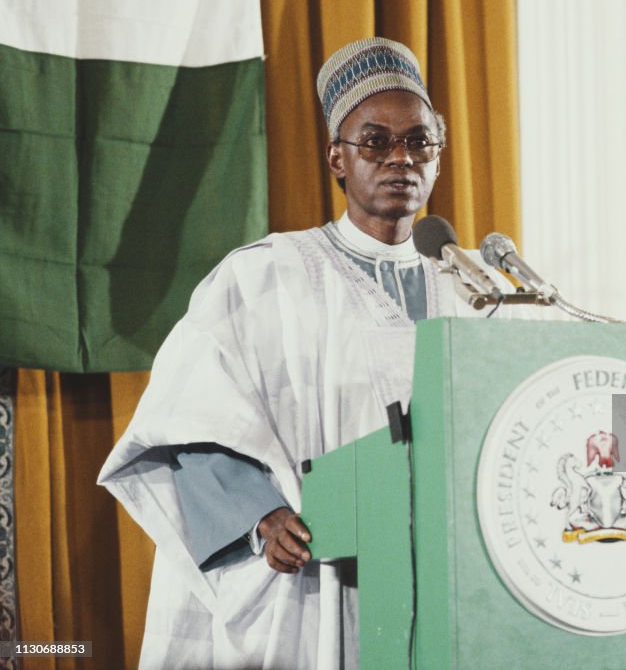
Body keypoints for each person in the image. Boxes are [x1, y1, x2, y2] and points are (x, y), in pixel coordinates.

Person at [99, 37, 520, 669]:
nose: (400, 158)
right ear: (336, 158)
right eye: (375, 141)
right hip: (314, 585)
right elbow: (187, 418)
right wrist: (258, 516)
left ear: (439, 155)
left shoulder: (475, 290)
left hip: (448, 578)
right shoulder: (265, 278)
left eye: (419, 141)